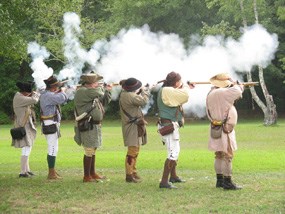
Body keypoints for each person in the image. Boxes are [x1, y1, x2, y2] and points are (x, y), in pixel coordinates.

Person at [206, 73, 244, 190]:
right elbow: (238, 91)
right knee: (228, 155)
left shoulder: (211, 93)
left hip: (216, 127)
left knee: (218, 155)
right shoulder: (223, 92)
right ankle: (227, 182)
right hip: (225, 128)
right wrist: (236, 84)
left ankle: (220, 180)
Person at [157, 71, 194, 189]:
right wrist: (187, 86)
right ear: (176, 82)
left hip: (170, 125)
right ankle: (164, 182)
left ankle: (173, 176)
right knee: (173, 153)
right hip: (168, 125)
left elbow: (180, 94)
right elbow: (185, 95)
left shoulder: (167, 89)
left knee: (174, 151)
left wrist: (184, 86)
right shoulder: (167, 90)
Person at [74, 72, 112, 183]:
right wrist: (102, 87)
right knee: (89, 150)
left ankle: (92, 173)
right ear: (90, 83)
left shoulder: (91, 92)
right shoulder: (83, 91)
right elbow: (99, 92)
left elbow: (104, 100)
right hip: (88, 124)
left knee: (93, 149)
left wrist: (108, 90)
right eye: (96, 82)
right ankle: (86, 176)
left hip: (94, 124)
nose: (98, 83)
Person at [119, 77, 150, 183]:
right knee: (132, 151)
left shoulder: (126, 94)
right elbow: (144, 101)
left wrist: (140, 91)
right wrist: (145, 91)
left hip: (133, 125)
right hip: (132, 126)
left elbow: (136, 98)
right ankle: (129, 175)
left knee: (135, 150)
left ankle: (133, 171)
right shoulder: (130, 95)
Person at [40, 75, 68, 180]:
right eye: (56, 86)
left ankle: (53, 171)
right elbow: (63, 99)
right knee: (52, 148)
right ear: (53, 87)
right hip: (51, 123)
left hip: (50, 122)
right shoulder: (49, 95)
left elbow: (62, 100)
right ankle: (51, 173)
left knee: (54, 148)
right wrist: (63, 90)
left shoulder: (46, 93)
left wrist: (59, 90)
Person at [12, 81, 39, 178]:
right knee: (26, 148)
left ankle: (27, 169)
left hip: (26, 125)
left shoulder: (21, 96)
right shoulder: (19, 97)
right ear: (24, 92)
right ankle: (22, 172)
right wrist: (36, 93)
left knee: (28, 146)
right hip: (23, 125)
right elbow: (34, 100)